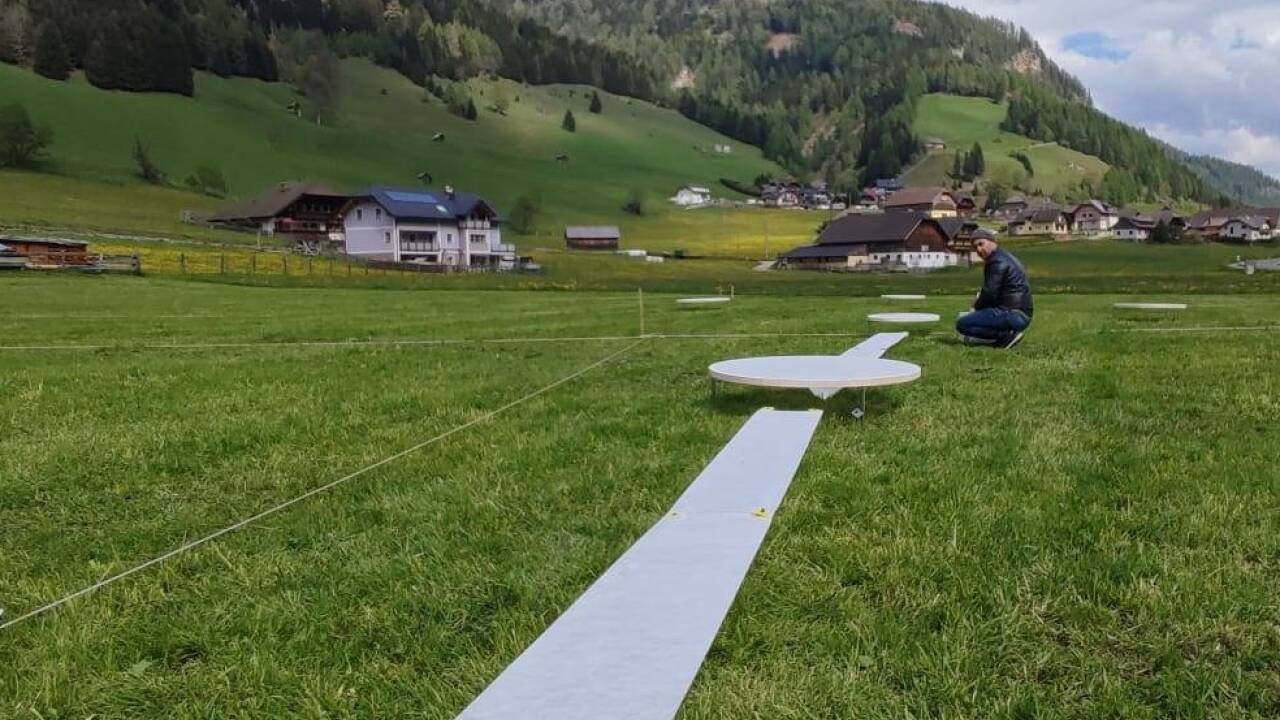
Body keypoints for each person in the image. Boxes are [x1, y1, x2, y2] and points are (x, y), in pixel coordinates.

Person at [956, 236, 1033, 349]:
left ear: (992, 241)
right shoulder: (1005, 257)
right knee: (978, 316)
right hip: (1022, 313)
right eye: (975, 247)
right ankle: (1005, 338)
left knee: (962, 324)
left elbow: (989, 293)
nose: (978, 249)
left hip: (1012, 314)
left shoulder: (996, 262)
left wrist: (976, 306)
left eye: (981, 244)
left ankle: (1006, 337)